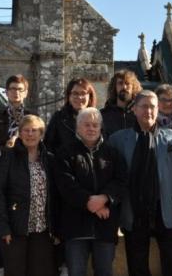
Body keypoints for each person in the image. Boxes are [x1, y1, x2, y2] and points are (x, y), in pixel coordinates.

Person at [108, 90, 172, 276]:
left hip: (166, 211)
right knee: (137, 267)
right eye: (144, 106)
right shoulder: (118, 140)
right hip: (134, 212)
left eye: (152, 106)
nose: (149, 111)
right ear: (134, 109)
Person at [54, 108, 128, 276]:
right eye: (86, 125)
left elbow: (121, 181)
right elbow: (66, 185)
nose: (91, 128)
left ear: (101, 127)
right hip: (75, 228)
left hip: (105, 228)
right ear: (78, 127)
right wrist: (91, 203)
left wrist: (104, 198)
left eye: (95, 125)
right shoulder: (65, 153)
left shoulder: (113, 153)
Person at [0, 115, 58, 276]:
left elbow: (55, 195)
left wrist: (56, 228)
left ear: (41, 134)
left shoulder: (49, 159)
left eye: (34, 130)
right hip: (15, 229)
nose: (30, 134)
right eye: (26, 130)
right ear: (19, 133)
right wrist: (3, 228)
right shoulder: (8, 157)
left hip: (42, 230)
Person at [44, 77, 97, 154]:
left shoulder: (97, 118)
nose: (79, 97)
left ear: (90, 97)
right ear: (69, 96)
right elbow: (48, 146)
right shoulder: (59, 118)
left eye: (83, 93)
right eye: (75, 93)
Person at [0, 74, 36, 149]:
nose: (17, 92)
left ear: (26, 93)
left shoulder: (33, 116)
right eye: (13, 89)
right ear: (7, 92)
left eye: (20, 89)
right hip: (4, 157)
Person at [100, 70, 141, 138]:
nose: (124, 87)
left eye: (127, 83)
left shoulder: (141, 113)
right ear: (115, 87)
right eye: (120, 83)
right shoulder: (103, 114)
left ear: (133, 87)